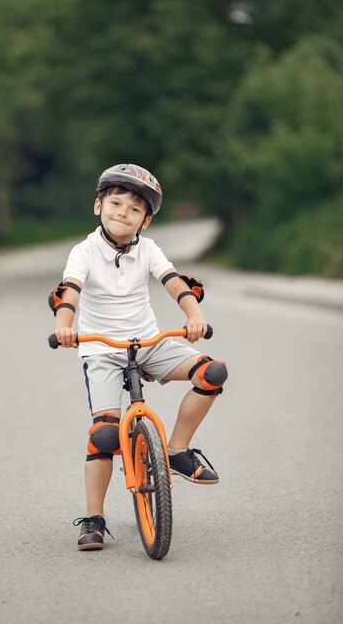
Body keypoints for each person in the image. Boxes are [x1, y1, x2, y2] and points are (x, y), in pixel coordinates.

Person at [51, 163, 228, 551]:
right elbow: (69, 290)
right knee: (104, 435)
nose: (122, 214)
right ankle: (94, 519)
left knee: (212, 372)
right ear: (98, 206)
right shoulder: (84, 251)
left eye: (134, 210)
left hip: (149, 342)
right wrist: (66, 324)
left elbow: (174, 281)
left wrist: (194, 315)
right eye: (115, 204)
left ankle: (177, 450)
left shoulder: (147, 249)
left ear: (144, 221)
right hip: (102, 348)